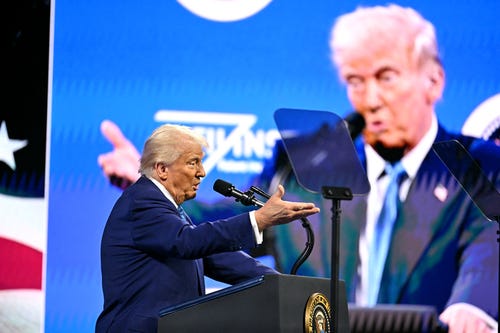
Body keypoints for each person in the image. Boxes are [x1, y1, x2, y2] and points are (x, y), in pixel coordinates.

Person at [97, 5, 500, 332]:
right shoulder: (309, 166)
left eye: (387, 77)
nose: (370, 99)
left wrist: (474, 304)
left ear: (434, 80)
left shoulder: (478, 163)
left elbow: (492, 242)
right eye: (356, 81)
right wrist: (152, 180)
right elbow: (214, 232)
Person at [95, 124, 320, 333]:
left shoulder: (169, 210)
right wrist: (258, 220)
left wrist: (284, 286)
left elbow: (213, 255)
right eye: (193, 162)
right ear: (162, 169)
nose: (202, 172)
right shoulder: (142, 202)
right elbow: (186, 241)